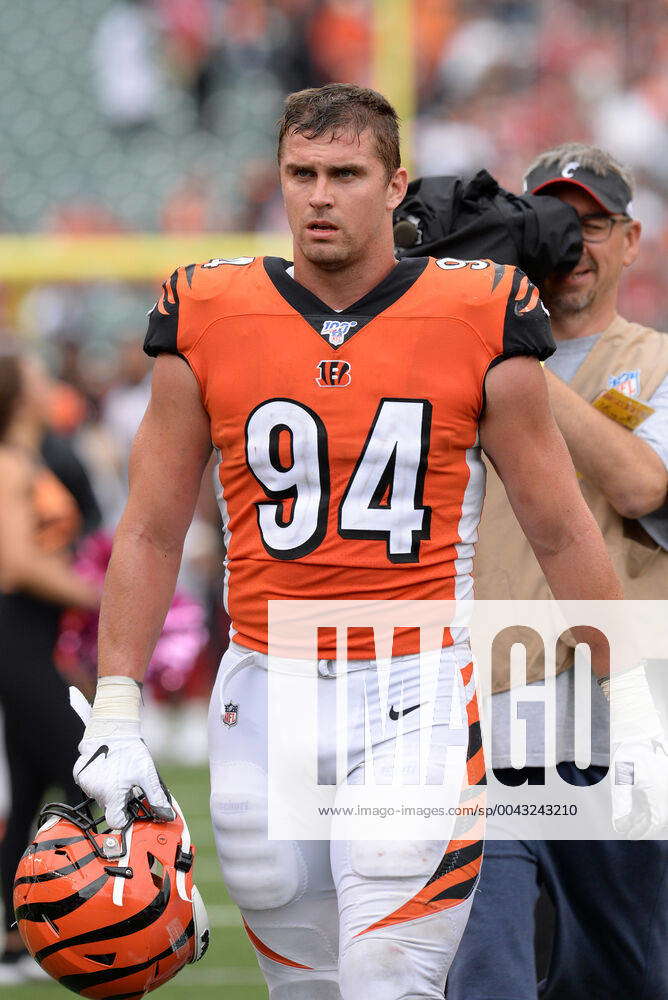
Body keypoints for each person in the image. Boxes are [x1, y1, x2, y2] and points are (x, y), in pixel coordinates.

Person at [73, 87, 623, 1000]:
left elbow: (560, 526)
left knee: (387, 976)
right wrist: (120, 705)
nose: (320, 195)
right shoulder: (210, 308)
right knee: (307, 976)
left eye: (345, 174)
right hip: (262, 678)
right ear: (280, 181)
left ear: (394, 185)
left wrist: (624, 683)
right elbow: (150, 526)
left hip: (412, 679)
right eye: (302, 173)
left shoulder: (477, 311)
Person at [446, 144, 668, 1000]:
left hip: (623, 720)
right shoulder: (458, 362)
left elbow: (643, 482)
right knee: (487, 961)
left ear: (633, 240)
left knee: (626, 975)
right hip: (493, 710)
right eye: (551, 221)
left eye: (595, 224)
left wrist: (514, 350)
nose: (573, 241)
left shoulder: (654, 361)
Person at [0, 348, 99, 985]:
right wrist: (103, 595)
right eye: (38, 377)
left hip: (37, 639)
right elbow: (15, 565)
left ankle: (11, 941)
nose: (50, 387)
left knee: (36, 783)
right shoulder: (8, 466)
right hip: (13, 634)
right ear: (15, 393)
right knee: (91, 771)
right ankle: (93, 922)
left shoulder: (31, 458)